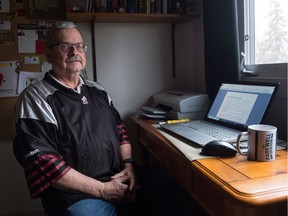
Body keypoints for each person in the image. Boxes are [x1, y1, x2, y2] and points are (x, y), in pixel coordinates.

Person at [13, 21, 136, 216]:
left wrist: (129, 166)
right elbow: (43, 162)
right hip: (76, 196)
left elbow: (121, 132)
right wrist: (102, 189)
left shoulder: (99, 91)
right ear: (49, 54)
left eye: (79, 46)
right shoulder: (35, 97)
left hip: (117, 179)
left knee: (172, 192)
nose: (74, 51)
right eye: (65, 46)